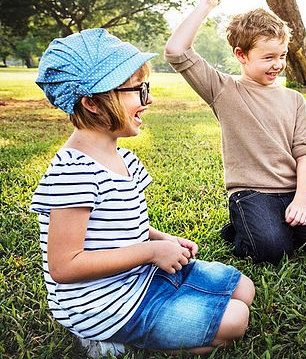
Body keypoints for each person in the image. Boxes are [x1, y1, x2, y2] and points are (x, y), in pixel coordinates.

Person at [30, 28, 255, 356]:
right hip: (104, 306)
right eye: (138, 90)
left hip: (140, 277)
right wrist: (150, 253)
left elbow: (119, 226)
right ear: (92, 102)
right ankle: (110, 341)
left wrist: (161, 240)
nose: (148, 100)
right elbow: (65, 265)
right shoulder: (74, 172)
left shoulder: (122, 157)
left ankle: (162, 314)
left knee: (244, 289)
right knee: (235, 320)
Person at [164, 0, 306, 264]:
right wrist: (206, 5)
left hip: (292, 190)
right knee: (271, 251)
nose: (278, 64)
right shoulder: (223, 90)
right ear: (241, 55)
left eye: (282, 55)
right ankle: (241, 227)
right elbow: (176, 52)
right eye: (269, 57)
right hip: (251, 193)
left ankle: (275, 224)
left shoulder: (294, 99)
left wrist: (301, 200)